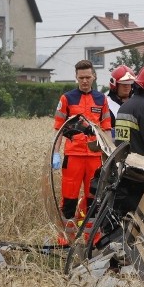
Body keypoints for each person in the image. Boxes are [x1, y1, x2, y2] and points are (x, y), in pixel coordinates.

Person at [53, 59, 112, 221]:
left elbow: (106, 128)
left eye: (87, 77)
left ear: (94, 76)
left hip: (95, 157)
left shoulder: (102, 100)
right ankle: (65, 239)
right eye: (81, 78)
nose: (84, 81)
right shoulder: (67, 98)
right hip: (73, 157)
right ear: (76, 78)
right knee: (69, 197)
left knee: (94, 199)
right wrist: (55, 153)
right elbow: (58, 128)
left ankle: (92, 239)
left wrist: (110, 154)